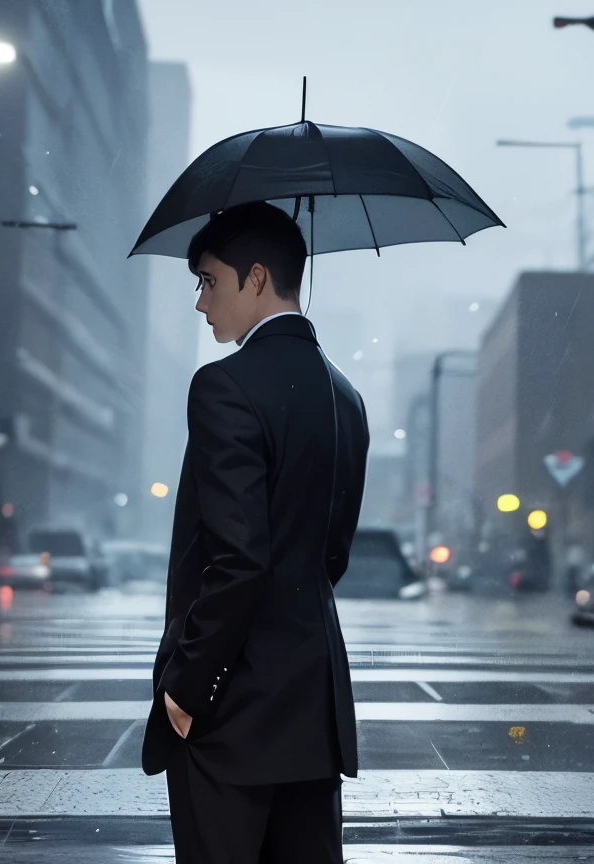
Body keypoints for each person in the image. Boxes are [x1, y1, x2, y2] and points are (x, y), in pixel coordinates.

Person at [141, 201, 369, 863]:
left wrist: (188, 685)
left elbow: (239, 559)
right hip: (313, 708)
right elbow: (331, 555)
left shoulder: (225, 387)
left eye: (209, 281)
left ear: (258, 279)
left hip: (231, 712)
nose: (200, 303)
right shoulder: (345, 397)